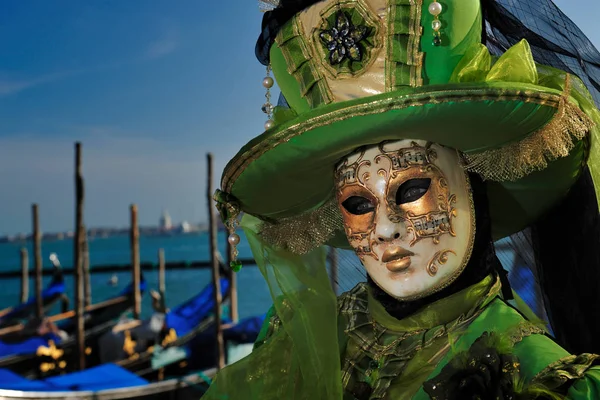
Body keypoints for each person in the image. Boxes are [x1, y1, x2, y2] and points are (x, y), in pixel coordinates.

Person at [206, 0, 600, 398]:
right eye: (358, 204)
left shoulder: (537, 381)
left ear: (473, 184)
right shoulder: (304, 348)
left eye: (411, 190)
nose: (385, 229)